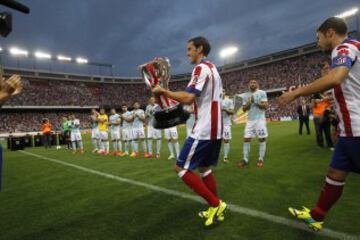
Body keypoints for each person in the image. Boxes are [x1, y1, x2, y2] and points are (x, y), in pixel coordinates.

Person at [278, 17, 360, 231]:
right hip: (348, 130)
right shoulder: (348, 49)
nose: (317, 43)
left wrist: (296, 93)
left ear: (330, 32)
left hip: (357, 129)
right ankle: (317, 217)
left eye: (318, 38)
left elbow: (336, 78)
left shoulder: (344, 48)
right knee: (335, 174)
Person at [152, 36, 226, 226]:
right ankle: (214, 209)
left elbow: (187, 97)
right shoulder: (213, 69)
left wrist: (164, 92)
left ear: (199, 49)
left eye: (190, 49)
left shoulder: (201, 68)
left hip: (205, 128)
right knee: (204, 168)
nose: (187, 53)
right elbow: (201, 100)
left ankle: (216, 204)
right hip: (216, 128)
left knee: (180, 167)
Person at [238, 80, 269, 168]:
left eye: (254, 82)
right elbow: (244, 109)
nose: (252, 84)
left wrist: (255, 101)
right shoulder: (245, 95)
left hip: (260, 119)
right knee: (246, 139)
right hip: (250, 120)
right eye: (251, 83)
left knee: (261, 139)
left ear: (257, 84)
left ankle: (260, 159)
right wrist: (249, 102)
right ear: (248, 85)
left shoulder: (262, 93)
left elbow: (266, 106)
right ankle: (245, 159)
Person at [222, 91, 234, 163]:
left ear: (225, 93)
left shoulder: (229, 101)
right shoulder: (215, 101)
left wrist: (225, 109)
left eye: (223, 91)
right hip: (216, 124)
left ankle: (225, 157)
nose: (222, 92)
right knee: (215, 141)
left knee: (226, 140)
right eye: (221, 91)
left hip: (226, 124)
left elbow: (232, 112)